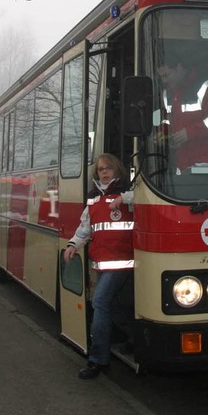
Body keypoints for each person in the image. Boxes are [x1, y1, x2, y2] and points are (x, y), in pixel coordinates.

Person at [63, 153, 134, 379]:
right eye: (101, 169)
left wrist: (124, 198)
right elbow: (85, 228)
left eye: (108, 168)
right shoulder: (93, 199)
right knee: (111, 306)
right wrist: (73, 245)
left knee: (100, 302)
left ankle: (98, 360)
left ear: (117, 170)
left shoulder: (128, 192)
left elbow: (146, 198)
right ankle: (136, 337)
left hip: (122, 262)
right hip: (102, 263)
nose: (104, 172)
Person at [157, 59, 208, 174]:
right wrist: (165, 135)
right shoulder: (168, 94)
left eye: (167, 75)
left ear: (179, 68)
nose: (164, 80)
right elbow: (166, 119)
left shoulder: (207, 88)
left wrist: (190, 132)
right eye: (161, 77)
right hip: (184, 166)